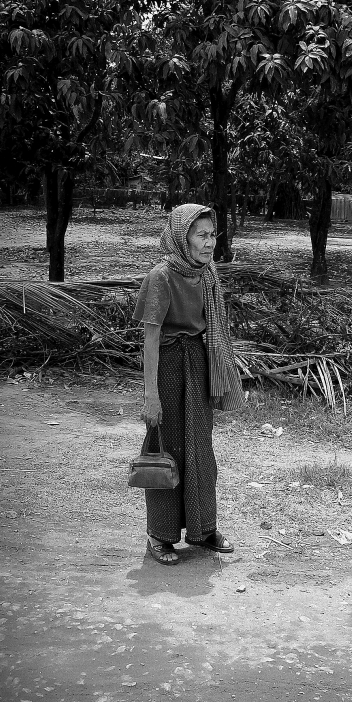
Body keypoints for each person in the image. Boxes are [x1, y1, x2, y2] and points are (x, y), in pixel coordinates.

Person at [134, 204, 245, 565]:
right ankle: (160, 535)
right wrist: (151, 395)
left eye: (213, 234)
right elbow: (150, 340)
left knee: (199, 446)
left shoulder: (207, 274)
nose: (209, 242)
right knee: (166, 447)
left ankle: (203, 529)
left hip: (196, 364)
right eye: (202, 234)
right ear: (183, 237)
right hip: (167, 365)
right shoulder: (161, 276)